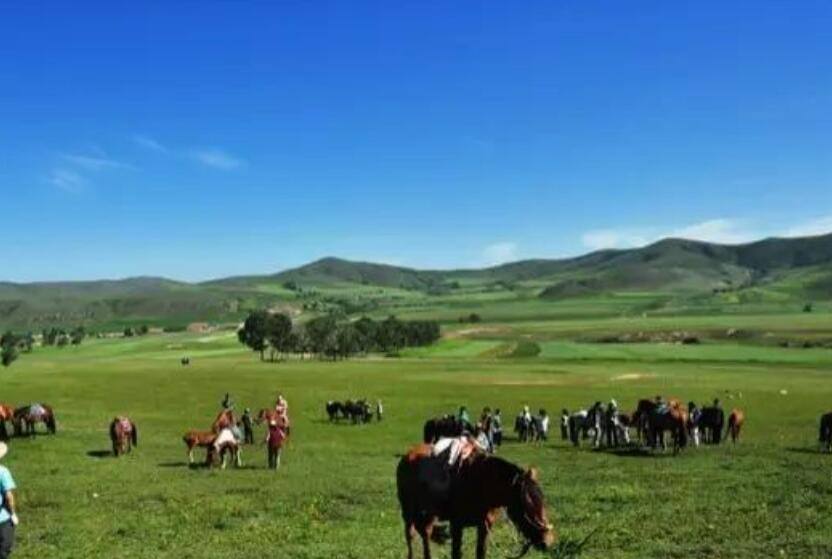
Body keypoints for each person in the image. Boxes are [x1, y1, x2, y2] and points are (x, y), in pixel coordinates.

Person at [0, 443, 17, 559]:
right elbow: (9, 496)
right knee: (4, 546)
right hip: (2, 518)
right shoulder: (3, 472)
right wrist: (13, 513)